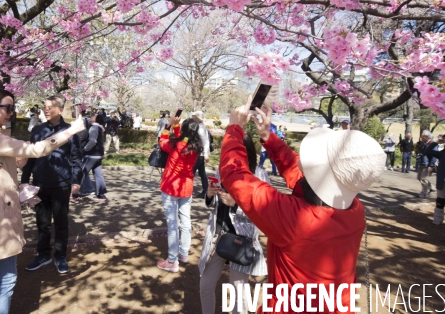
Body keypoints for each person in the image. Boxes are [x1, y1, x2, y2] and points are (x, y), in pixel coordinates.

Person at [219, 99, 386, 313]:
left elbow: (236, 177)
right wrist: (269, 138)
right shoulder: (354, 210)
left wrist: (234, 129)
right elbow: (303, 177)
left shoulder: (295, 218)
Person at [0, 87, 86, 314]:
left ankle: (58, 256)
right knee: (7, 277)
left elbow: (5, 162)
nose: (11, 112)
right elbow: (37, 149)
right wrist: (72, 131)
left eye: (13, 108)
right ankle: (43, 255)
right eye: (7, 108)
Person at [199, 133, 268, 314]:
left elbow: (264, 211)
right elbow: (213, 205)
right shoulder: (222, 170)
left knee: (239, 292)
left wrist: (236, 203)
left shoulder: (259, 175)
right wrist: (210, 194)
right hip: (218, 235)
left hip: (241, 240)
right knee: (205, 286)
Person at [21, 96, 82, 274]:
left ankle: (60, 255)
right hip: (39, 183)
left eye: (50, 107)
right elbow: (30, 156)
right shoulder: (38, 130)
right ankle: (43, 254)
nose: (46, 110)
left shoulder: (70, 131)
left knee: (61, 222)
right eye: (44, 107)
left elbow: (76, 159)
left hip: (61, 184)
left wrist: (76, 181)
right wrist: (25, 180)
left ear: (61, 109)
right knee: (42, 222)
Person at [156, 114, 202, 272]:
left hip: (171, 188)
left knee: (173, 226)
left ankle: (172, 261)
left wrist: (168, 125)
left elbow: (162, 141)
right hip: (186, 188)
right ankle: (183, 253)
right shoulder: (195, 147)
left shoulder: (176, 145)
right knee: (186, 221)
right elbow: (181, 139)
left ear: (183, 131)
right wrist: (176, 126)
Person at [78, 113, 108, 201]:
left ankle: (75, 193)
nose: (91, 117)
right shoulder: (99, 127)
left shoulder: (94, 127)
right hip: (98, 155)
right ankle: (101, 194)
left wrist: (84, 149)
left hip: (92, 155)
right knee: (98, 174)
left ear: (96, 119)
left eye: (93, 116)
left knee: (81, 172)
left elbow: (92, 141)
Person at [191, 111, 211, 198]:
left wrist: (206, 154)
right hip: (200, 154)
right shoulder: (200, 126)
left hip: (198, 154)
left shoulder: (200, 129)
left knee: (191, 172)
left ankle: (189, 190)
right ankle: (205, 190)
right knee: (202, 173)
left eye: (194, 116)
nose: (193, 117)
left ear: (197, 118)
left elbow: (205, 142)